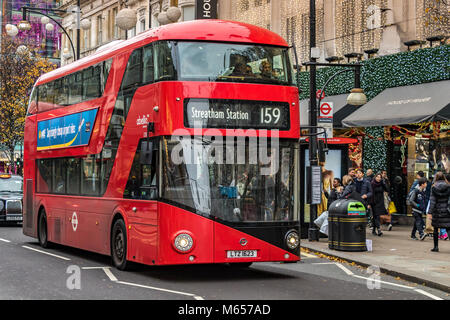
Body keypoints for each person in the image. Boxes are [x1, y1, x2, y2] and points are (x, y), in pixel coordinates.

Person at [427, 172, 450, 252]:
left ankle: (436, 247)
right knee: (448, 228)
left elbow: (432, 201)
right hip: (447, 211)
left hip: (437, 211)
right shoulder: (448, 186)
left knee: (436, 229)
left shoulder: (434, 187)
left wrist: (430, 212)